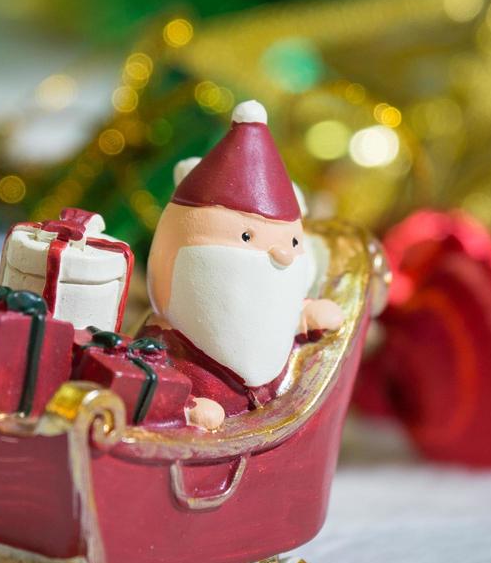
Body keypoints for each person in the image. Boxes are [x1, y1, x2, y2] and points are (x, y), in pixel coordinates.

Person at [142, 100, 344, 430]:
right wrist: (185, 403)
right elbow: (149, 368)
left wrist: (304, 316)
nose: (282, 254)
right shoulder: (167, 338)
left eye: (293, 243)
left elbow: (277, 314)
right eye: (247, 236)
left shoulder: (275, 317)